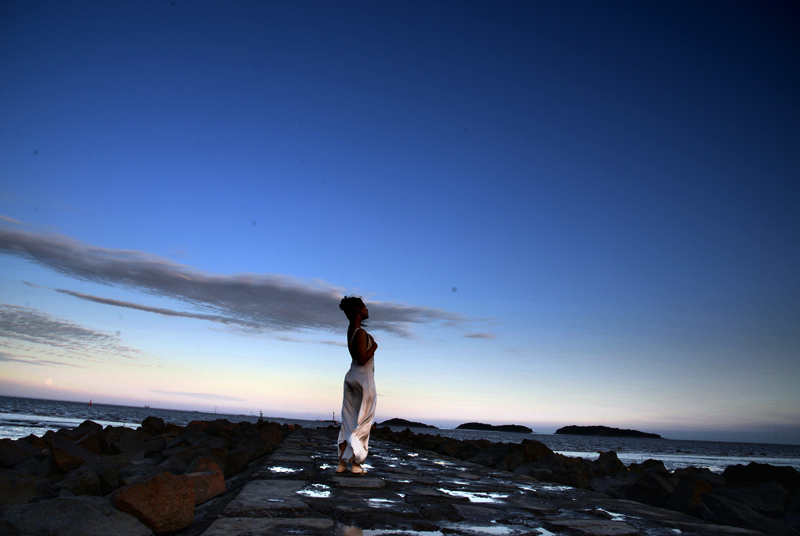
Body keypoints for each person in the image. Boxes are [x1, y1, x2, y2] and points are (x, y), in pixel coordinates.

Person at [337, 295, 378, 474]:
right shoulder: (360, 332)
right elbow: (362, 358)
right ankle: (356, 464)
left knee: (349, 421)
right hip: (363, 379)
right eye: (364, 306)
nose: (367, 309)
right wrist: (374, 346)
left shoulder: (350, 330)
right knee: (363, 422)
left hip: (351, 377)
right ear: (358, 310)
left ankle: (342, 463)